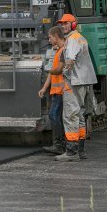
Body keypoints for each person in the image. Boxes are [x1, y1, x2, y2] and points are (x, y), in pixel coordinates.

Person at [55, 13, 98, 162]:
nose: (63, 26)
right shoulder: (81, 38)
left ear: (73, 24)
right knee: (79, 115)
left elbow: (70, 60)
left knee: (70, 115)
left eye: (66, 23)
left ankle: (71, 152)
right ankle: (81, 150)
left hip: (74, 81)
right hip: (85, 81)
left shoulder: (72, 40)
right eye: (62, 24)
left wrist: (65, 73)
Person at [38, 26, 70, 155]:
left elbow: (56, 71)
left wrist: (44, 69)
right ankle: (60, 144)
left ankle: (59, 144)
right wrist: (44, 88)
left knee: (54, 115)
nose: (49, 40)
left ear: (56, 37)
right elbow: (52, 73)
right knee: (56, 116)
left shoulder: (63, 51)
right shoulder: (57, 51)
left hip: (61, 91)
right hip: (56, 91)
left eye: (50, 37)